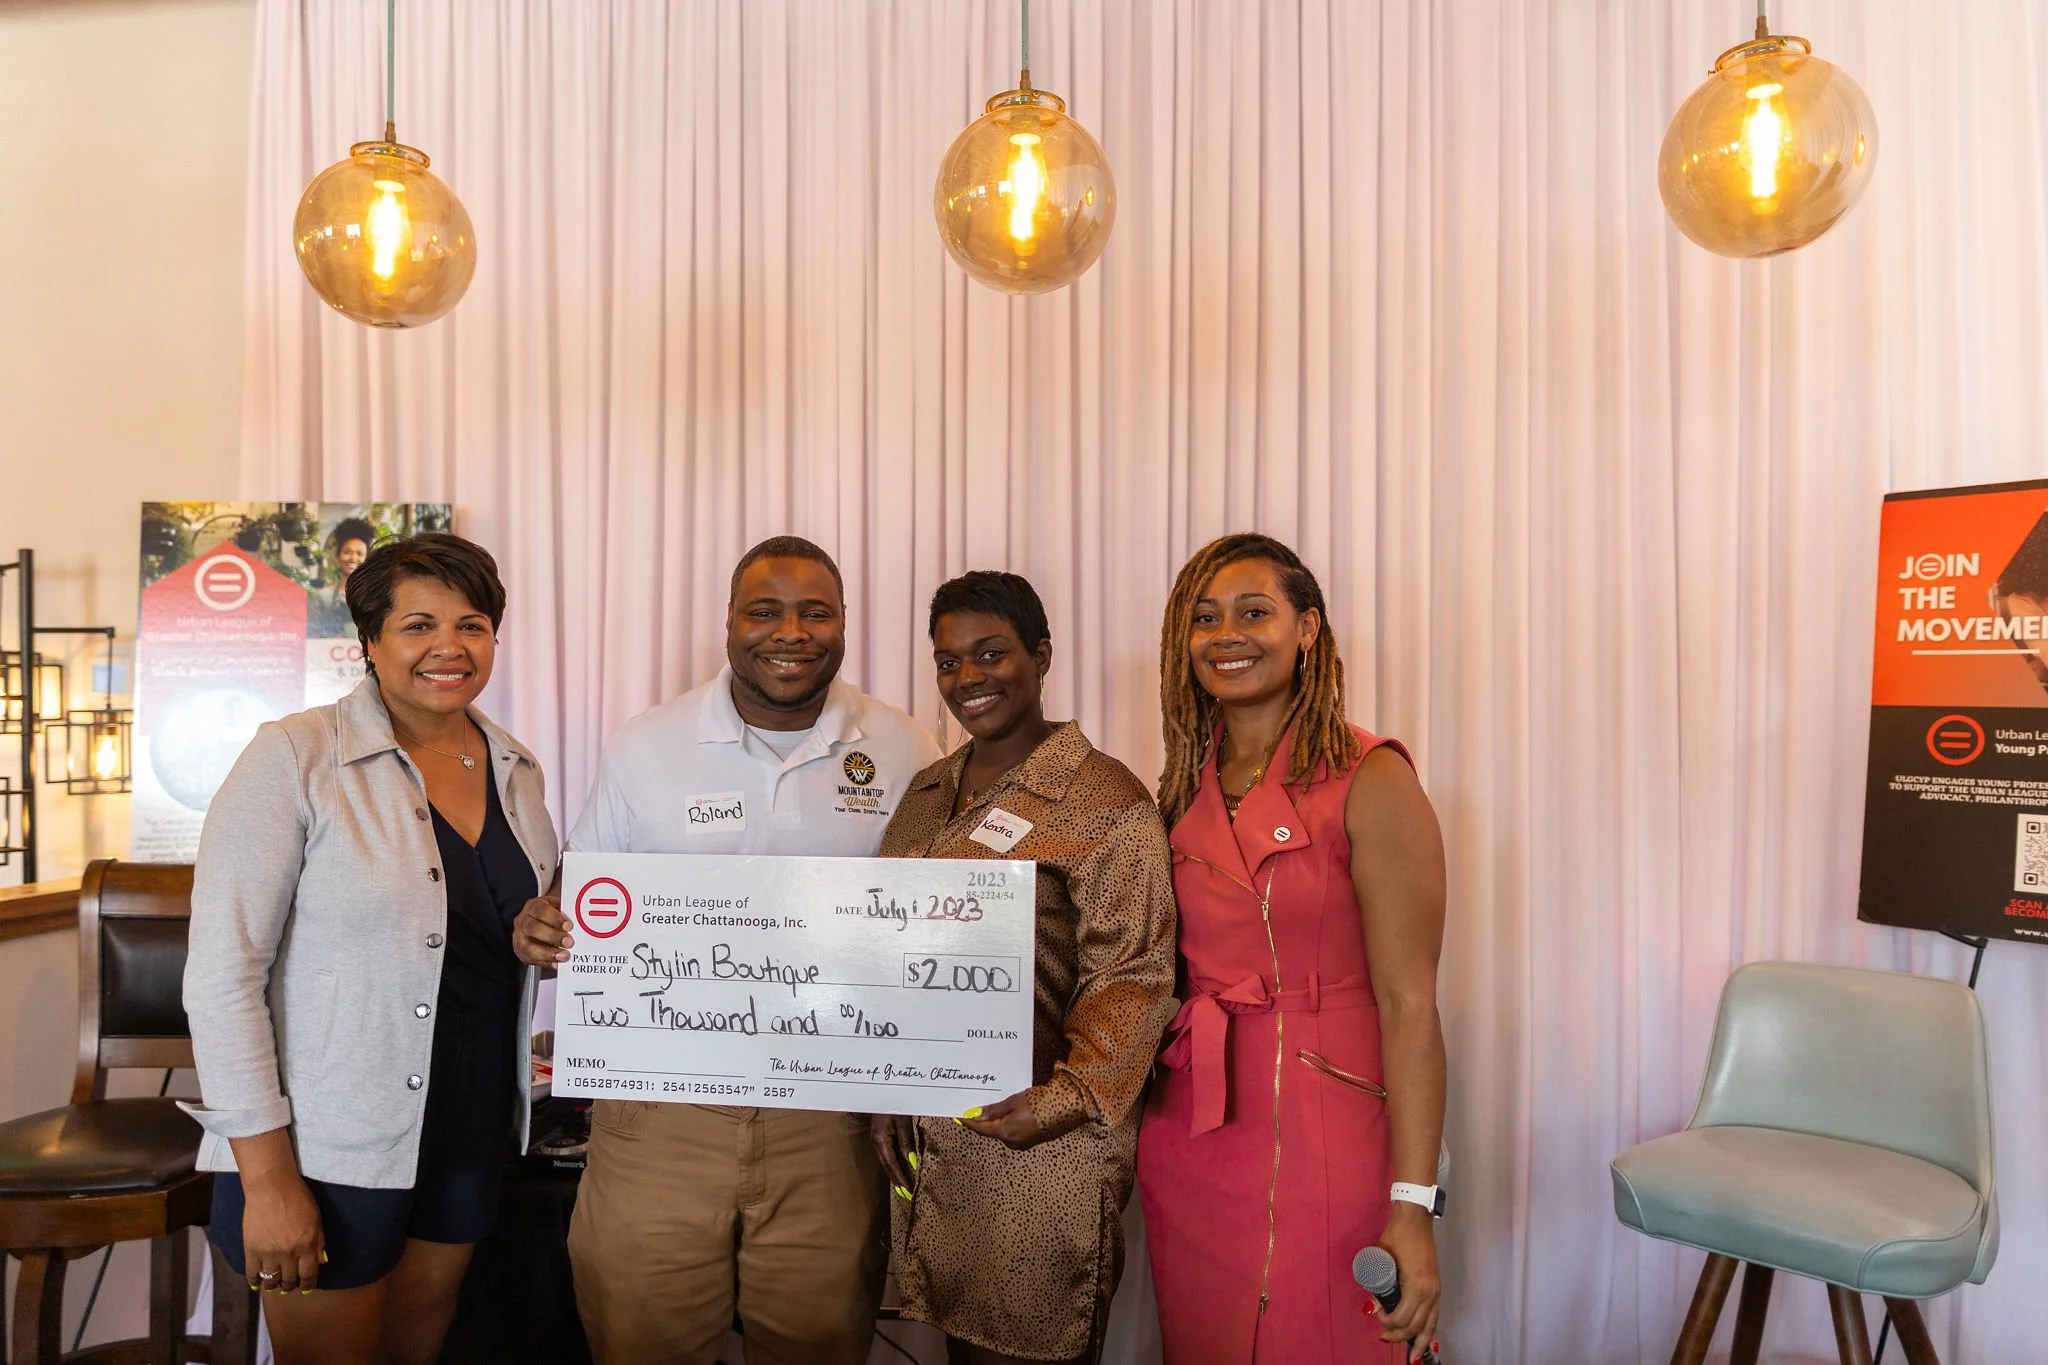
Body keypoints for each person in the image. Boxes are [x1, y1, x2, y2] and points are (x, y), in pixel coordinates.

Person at [512, 535, 944, 1365]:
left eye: (815, 611)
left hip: (831, 1121)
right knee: (641, 1339)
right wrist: (547, 924)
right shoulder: (648, 742)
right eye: (766, 610)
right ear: (728, 623)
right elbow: (583, 891)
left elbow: (932, 918)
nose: (792, 631)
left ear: (846, 622)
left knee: (818, 1344)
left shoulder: (904, 745)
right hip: (659, 1119)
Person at [183, 533, 558, 1364]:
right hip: (329, 1140)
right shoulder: (295, 755)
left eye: (473, 624)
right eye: (419, 624)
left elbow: (469, 928)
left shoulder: (517, 769)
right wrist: (269, 1178)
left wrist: (531, 931)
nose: (449, 648)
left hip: (467, 1123)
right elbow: (221, 977)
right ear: (371, 641)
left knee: (415, 1348)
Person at [1136, 533, 1448, 1363]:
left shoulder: (1371, 776)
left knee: (1328, 1335)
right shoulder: (1178, 782)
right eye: (1206, 618)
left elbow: (1411, 1004)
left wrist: (1414, 1203)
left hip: (1331, 1119)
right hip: (1194, 1127)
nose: (1227, 634)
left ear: (1307, 628)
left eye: (1254, 612)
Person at [870, 571, 1178, 1365]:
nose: (968, 679)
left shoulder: (1106, 798)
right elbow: (885, 949)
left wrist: (1065, 1100)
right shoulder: (925, 791)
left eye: (991, 653)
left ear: (1041, 656)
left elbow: (1134, 974)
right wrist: (883, 1092)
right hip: (936, 1151)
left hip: (1045, 1152)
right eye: (948, 662)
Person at [309, 516, 376, 637]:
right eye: (347, 552)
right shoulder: (323, 597)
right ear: (338, 556)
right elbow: (314, 635)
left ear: (366, 559)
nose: (353, 558)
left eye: (359, 553)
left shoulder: (374, 598)